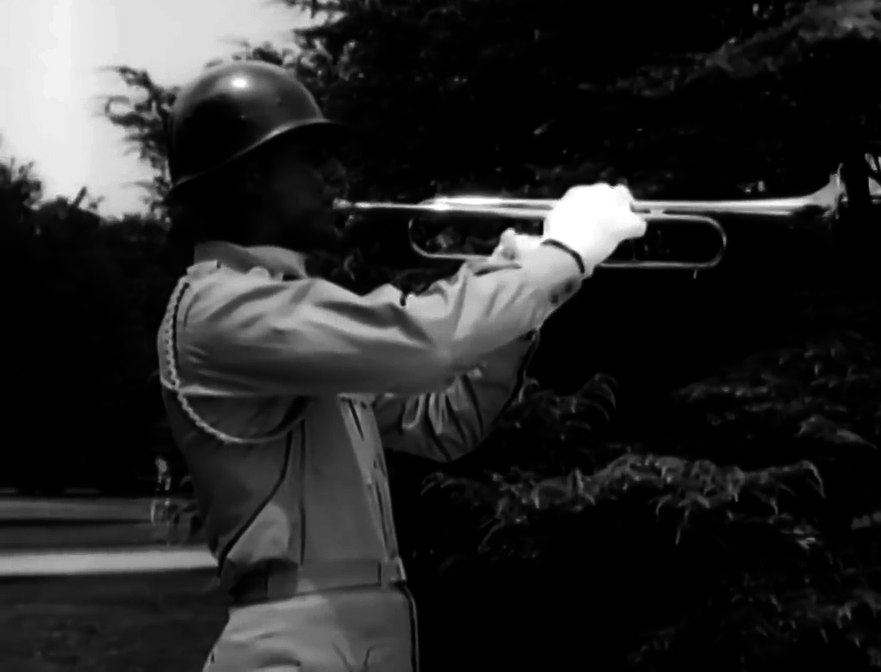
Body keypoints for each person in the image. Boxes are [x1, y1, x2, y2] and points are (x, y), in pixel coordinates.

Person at [157, 59, 647, 672]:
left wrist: (520, 299)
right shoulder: (222, 305)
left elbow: (444, 423)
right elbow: (423, 343)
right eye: (312, 158)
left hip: (352, 634)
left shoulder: (291, 317)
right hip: (294, 643)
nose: (336, 175)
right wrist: (557, 260)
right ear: (253, 174)